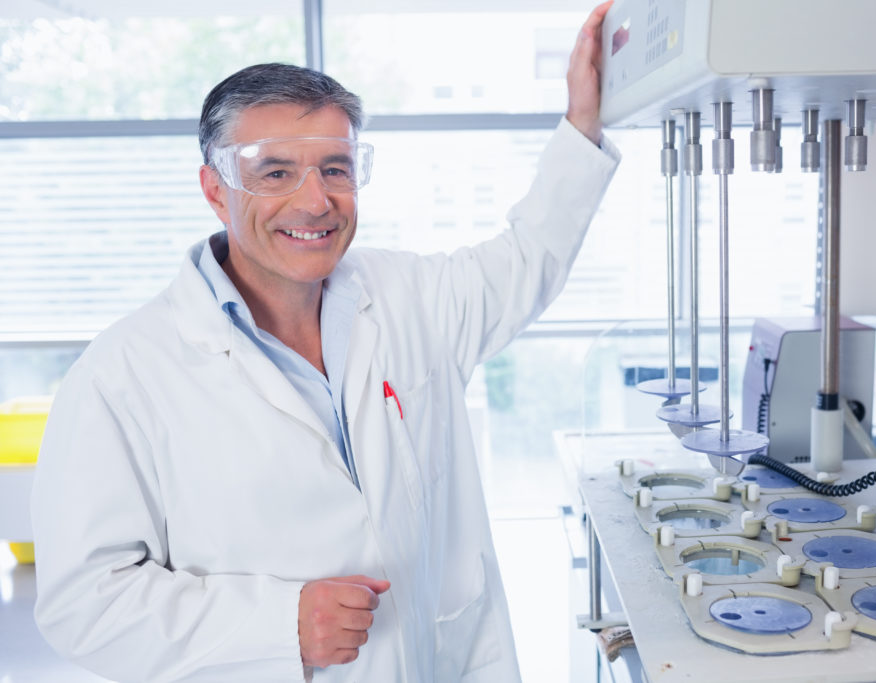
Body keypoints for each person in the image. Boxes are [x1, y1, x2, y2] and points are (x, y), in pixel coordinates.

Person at [31, 2, 618, 681]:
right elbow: (83, 602)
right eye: (274, 172)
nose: (315, 201)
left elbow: (528, 258)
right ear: (214, 191)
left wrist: (582, 122)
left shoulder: (407, 299)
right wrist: (280, 624)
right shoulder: (122, 374)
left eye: (335, 168)